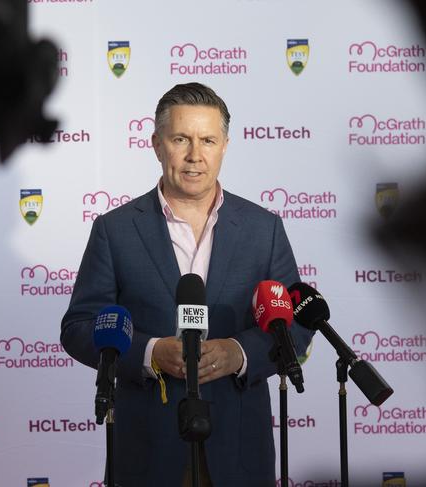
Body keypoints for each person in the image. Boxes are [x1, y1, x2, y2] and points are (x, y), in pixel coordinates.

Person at [61, 82, 313, 487]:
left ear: (225, 146)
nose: (195, 156)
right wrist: (150, 352)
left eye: (208, 140)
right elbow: (79, 328)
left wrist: (238, 353)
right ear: (157, 144)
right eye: (181, 139)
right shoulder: (115, 230)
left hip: (239, 454)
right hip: (148, 452)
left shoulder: (263, 230)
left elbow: (296, 327)